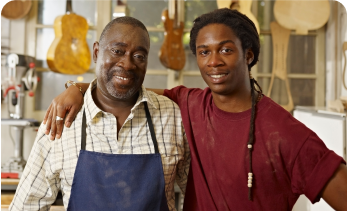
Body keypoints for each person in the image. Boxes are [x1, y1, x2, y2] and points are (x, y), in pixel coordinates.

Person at [43, 9, 347, 211]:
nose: (213, 62)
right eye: (204, 52)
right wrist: (77, 88)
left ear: (249, 54)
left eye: (226, 50)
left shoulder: (284, 132)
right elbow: (125, 86)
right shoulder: (189, 103)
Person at [9, 16, 190, 211]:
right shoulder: (60, 120)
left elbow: (201, 198)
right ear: (96, 52)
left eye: (139, 56)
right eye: (117, 51)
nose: (127, 64)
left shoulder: (173, 116)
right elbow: (25, 206)